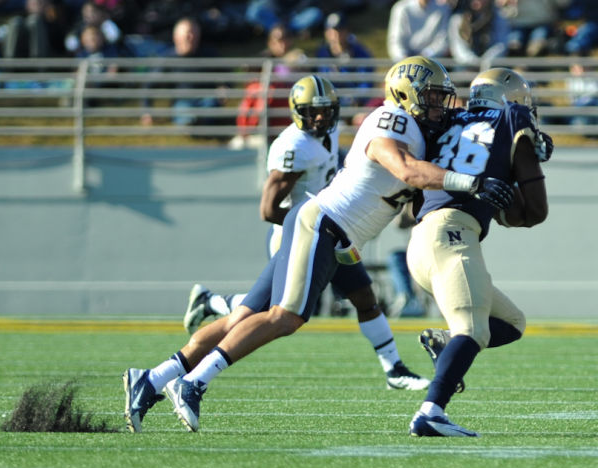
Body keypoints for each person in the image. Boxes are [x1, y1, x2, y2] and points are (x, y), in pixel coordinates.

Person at [161, 56, 514, 432]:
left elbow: (415, 198)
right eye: (429, 96)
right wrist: (469, 182)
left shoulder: (419, 134)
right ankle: (191, 383)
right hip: (322, 222)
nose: (436, 105)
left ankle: (158, 379)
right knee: (285, 315)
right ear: (403, 93)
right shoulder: (391, 119)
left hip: (338, 233)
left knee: (264, 315)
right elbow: (406, 170)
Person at [407, 68, 550, 437]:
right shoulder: (512, 117)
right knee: (471, 328)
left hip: (425, 241)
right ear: (514, 101)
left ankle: (445, 345)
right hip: (452, 235)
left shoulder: (449, 117)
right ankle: (431, 411)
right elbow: (534, 212)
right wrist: (531, 162)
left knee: (511, 323)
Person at [140, 17, 225, 128]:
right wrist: (147, 111)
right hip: (183, 102)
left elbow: (225, 74)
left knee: (210, 106)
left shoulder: (209, 54)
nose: (191, 38)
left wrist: (224, 88)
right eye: (187, 34)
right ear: (176, 37)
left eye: (194, 34)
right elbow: (150, 85)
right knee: (185, 113)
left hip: (206, 99)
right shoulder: (167, 60)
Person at [448, 0, 509, 68]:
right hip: (465, 68)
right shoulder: (457, 19)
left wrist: (486, 62)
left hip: (490, 67)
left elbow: (500, 45)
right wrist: (474, 62)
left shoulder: (498, 17)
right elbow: (458, 49)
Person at [387, 0, 451, 62]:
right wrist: (404, 58)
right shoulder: (401, 8)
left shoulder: (443, 9)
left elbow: (442, 42)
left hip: (431, 62)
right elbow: (395, 41)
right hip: (403, 62)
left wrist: (424, 56)